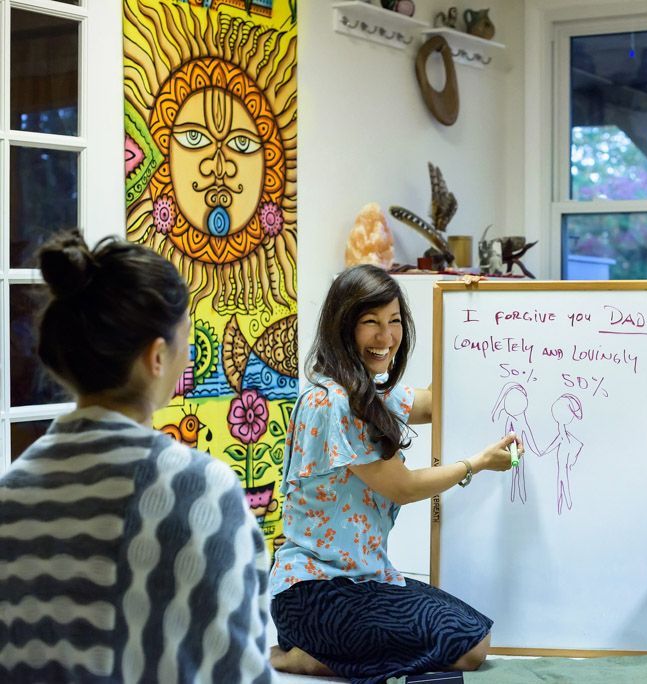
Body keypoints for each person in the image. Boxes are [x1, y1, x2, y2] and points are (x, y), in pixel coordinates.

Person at [0, 231, 274, 682]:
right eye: (186, 338)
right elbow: (239, 668)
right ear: (158, 356)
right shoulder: (201, 489)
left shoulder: (12, 494)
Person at [268, 265, 520, 683]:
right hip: (315, 595)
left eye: (394, 322)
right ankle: (306, 658)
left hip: (363, 581)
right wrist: (474, 465)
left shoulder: (368, 391)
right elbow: (401, 488)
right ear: (343, 326)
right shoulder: (333, 402)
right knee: (471, 647)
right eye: (371, 323)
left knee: (473, 630)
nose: (385, 337)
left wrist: (470, 310)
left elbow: (438, 402)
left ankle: (318, 652)